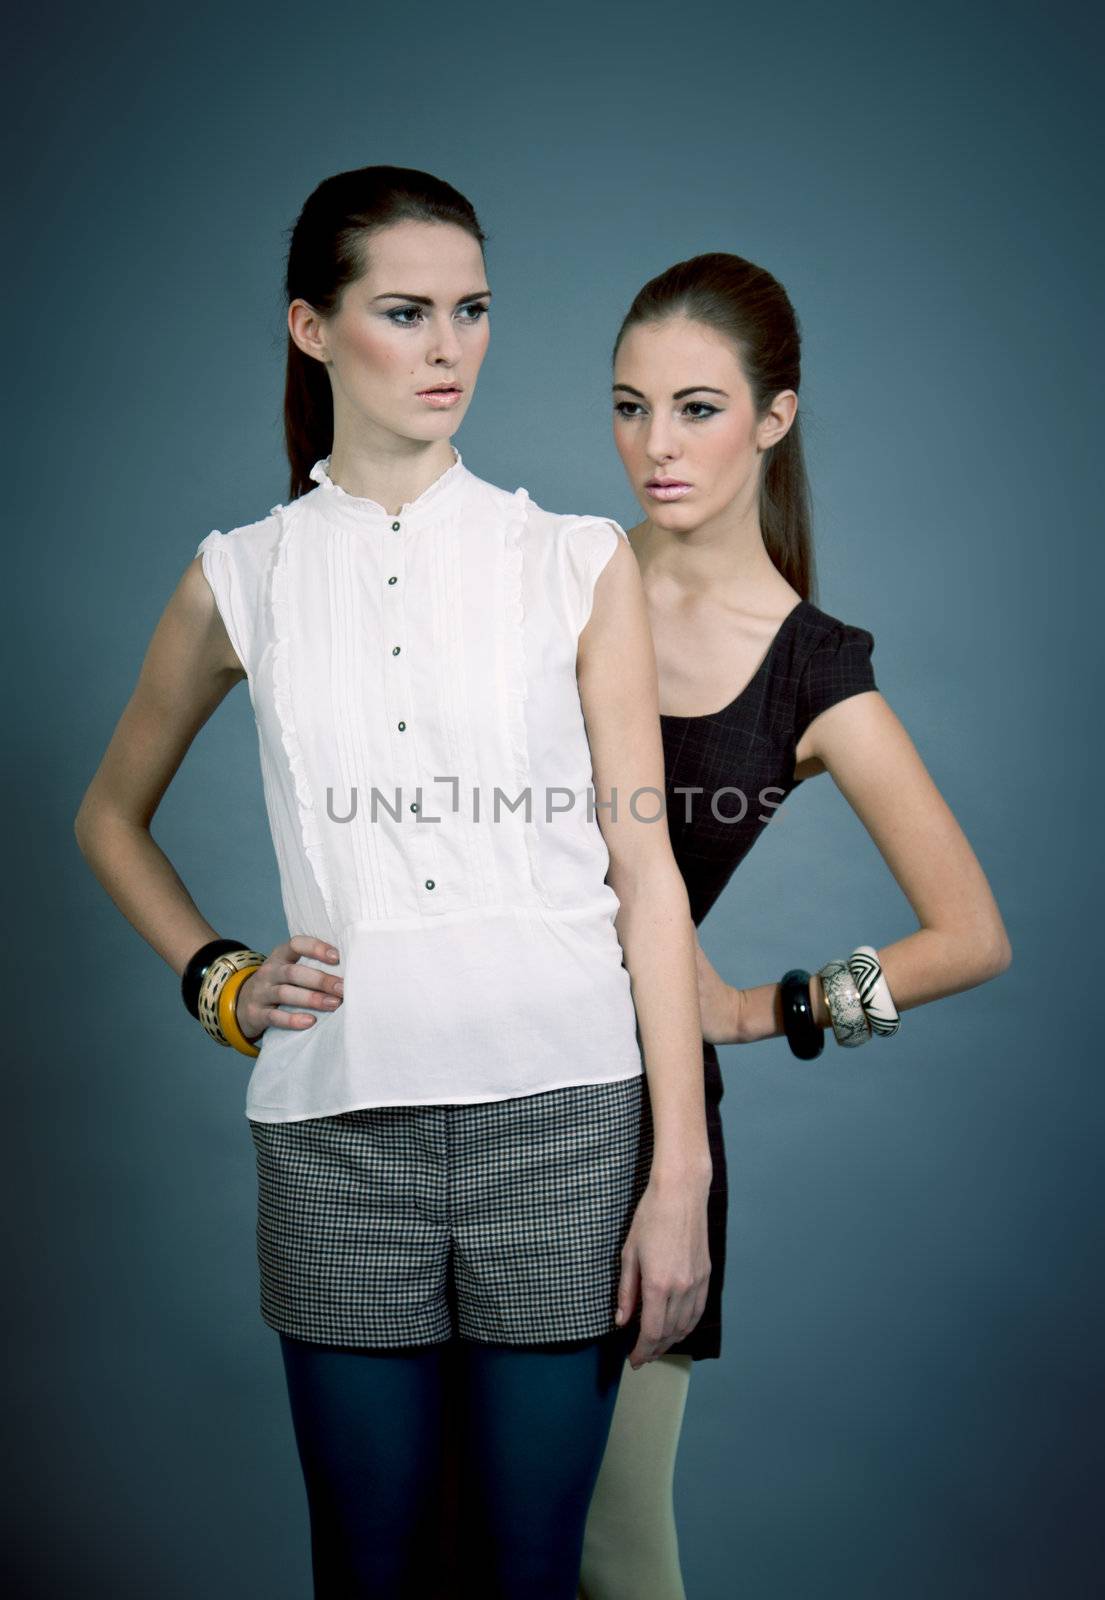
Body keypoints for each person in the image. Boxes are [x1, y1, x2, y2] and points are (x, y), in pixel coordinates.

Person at [72, 166, 714, 1600]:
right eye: (405, 313)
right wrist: (219, 980)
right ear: (312, 328)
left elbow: (644, 871)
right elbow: (110, 817)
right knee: (368, 1574)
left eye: (472, 312)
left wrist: (680, 1171)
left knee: (529, 1571)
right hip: (334, 1142)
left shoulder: (574, 560)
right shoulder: (240, 576)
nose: (448, 350)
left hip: (564, 1126)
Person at [575, 252, 1013, 1600]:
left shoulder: (811, 667)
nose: (655, 446)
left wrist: (766, 1010)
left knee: (613, 1552)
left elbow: (969, 934)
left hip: (638, 1132)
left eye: (697, 408)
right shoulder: (548, 572)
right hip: (458, 1090)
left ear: (774, 417)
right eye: (629, 405)